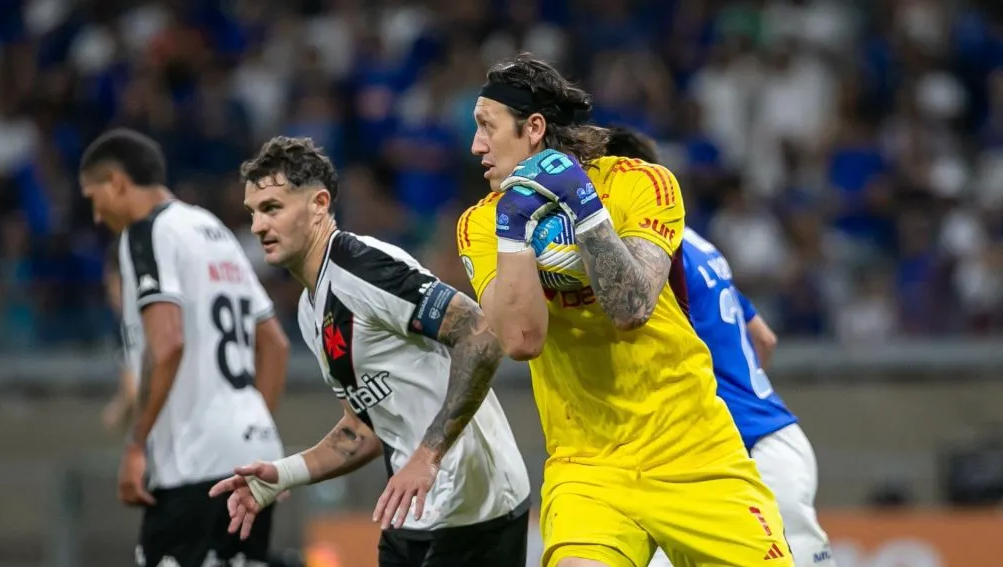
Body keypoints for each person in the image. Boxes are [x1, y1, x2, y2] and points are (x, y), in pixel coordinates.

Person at [456, 53, 794, 567]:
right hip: (588, 467)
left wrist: (584, 207)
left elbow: (631, 306)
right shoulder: (482, 224)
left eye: (486, 127)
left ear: (534, 128)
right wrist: (513, 227)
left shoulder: (642, 183)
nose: (475, 145)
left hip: (695, 453)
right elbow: (522, 341)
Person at [208, 136, 531, 567]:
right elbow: (362, 429)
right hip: (411, 511)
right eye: (253, 213)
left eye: (272, 209)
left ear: (319, 203)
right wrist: (280, 476)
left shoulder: (361, 267)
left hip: (477, 511)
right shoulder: (311, 308)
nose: (257, 227)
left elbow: (480, 332)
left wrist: (426, 455)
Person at [605, 127, 836, 567]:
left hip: (746, 452)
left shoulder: (652, 255)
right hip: (763, 435)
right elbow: (762, 336)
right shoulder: (698, 243)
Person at [79, 128, 290, 567]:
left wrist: (136, 445)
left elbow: (167, 342)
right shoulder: (214, 229)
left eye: (92, 196)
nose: (96, 215)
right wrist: (249, 430)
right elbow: (274, 343)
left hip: (193, 464)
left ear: (117, 183)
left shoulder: (146, 232)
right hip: (254, 454)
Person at [101, 242, 138, 432]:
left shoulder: (135, 321)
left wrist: (116, 411)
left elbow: (132, 392)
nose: (109, 294)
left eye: (110, 284)